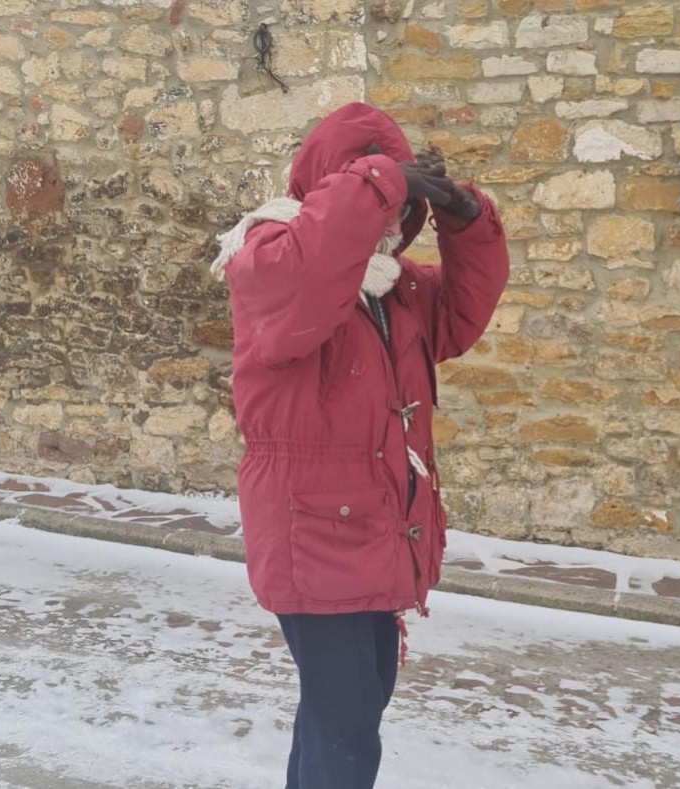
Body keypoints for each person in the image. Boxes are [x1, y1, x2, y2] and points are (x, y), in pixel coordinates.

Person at [208, 102, 509, 789]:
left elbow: (465, 309)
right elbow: (315, 277)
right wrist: (383, 178)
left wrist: (464, 215)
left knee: (349, 708)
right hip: (310, 534)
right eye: (374, 197)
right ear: (329, 187)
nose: (384, 223)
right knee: (345, 731)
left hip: (376, 528)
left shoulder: (395, 290)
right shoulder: (269, 259)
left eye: (396, 209)